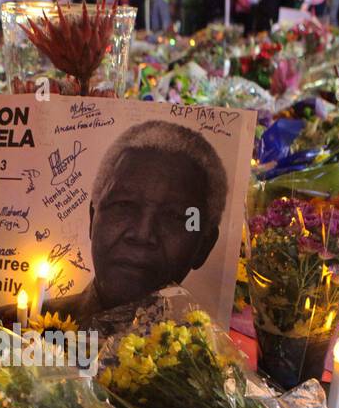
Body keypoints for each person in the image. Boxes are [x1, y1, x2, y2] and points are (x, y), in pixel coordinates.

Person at [45, 121, 228, 323]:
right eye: (123, 205)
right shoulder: (15, 329)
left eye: (175, 217)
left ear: (204, 246)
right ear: (92, 218)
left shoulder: (213, 353)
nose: (142, 235)